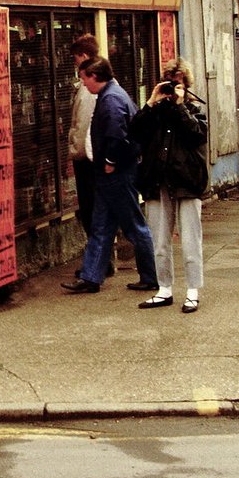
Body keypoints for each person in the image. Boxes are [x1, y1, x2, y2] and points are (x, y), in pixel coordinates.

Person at [62, 57, 159, 293]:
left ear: (95, 76)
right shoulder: (111, 95)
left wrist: (110, 161)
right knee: (101, 225)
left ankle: (151, 275)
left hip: (117, 173)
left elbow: (118, 134)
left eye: (85, 78)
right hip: (112, 173)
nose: (83, 84)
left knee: (134, 225)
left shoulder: (112, 99)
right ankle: (91, 276)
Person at [129, 59, 209, 313]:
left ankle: (193, 290)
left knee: (190, 240)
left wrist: (179, 106)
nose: (174, 87)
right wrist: (151, 102)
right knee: (160, 241)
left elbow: (197, 135)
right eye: (170, 82)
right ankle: (164, 289)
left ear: (187, 85)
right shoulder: (155, 112)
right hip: (157, 180)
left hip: (187, 181)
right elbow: (134, 132)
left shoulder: (194, 110)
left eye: (179, 83)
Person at [68, 34, 115, 277]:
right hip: (93, 159)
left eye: (76, 58)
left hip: (88, 161)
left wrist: (78, 152)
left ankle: (98, 265)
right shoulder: (99, 87)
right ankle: (101, 262)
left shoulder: (89, 90)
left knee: (92, 212)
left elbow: (85, 126)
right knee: (99, 212)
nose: (75, 64)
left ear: (84, 57)